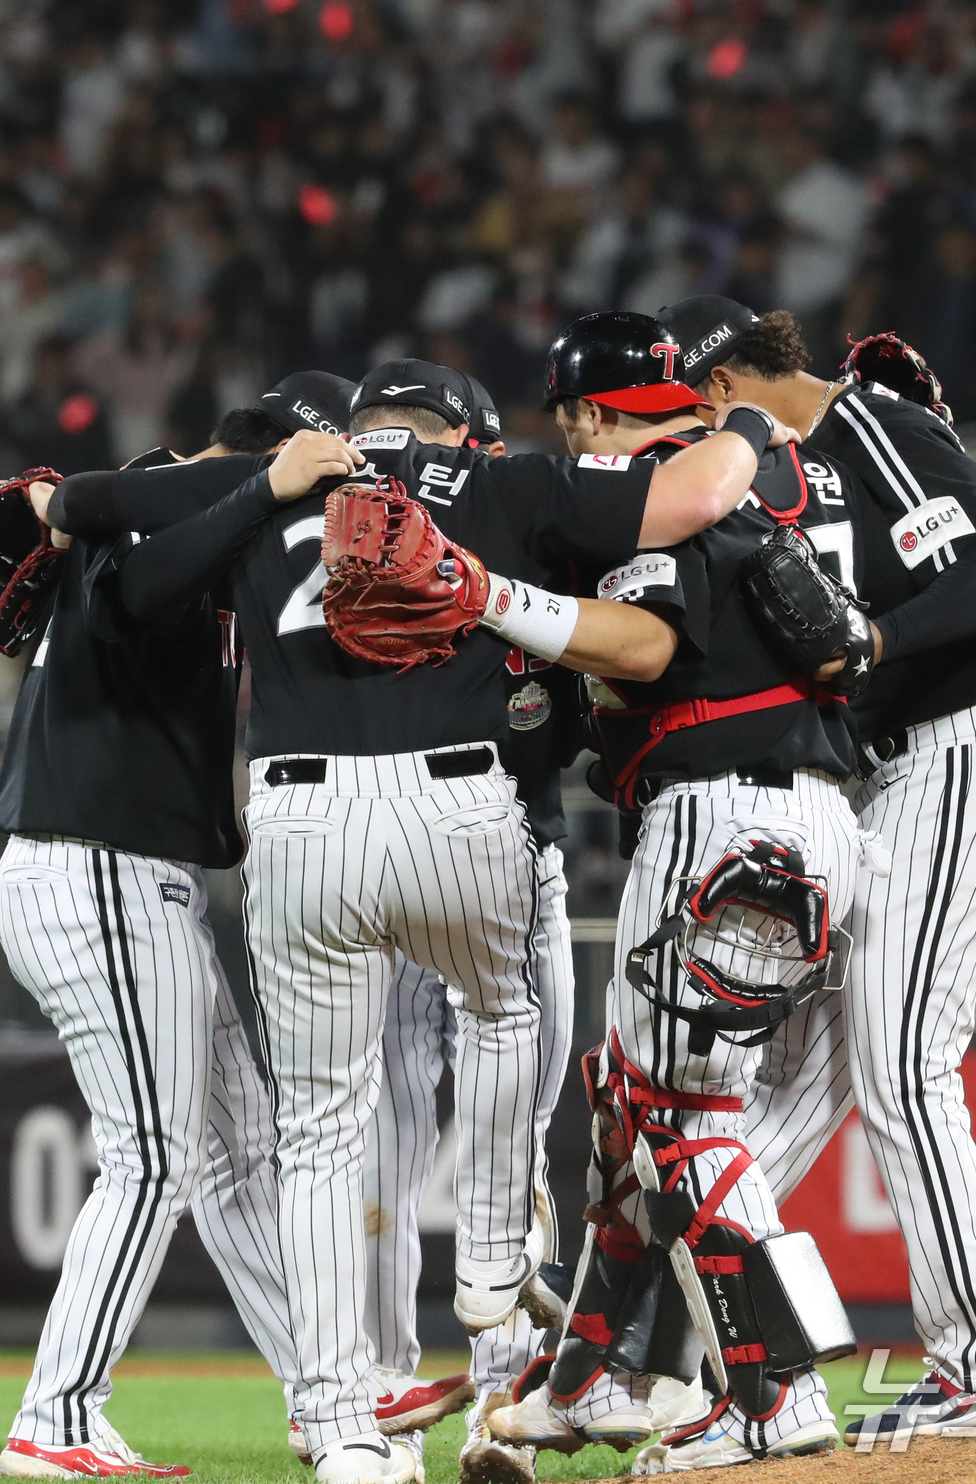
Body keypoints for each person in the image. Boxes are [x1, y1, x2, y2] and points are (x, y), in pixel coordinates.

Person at [97, 344, 795, 1484]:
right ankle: (487, 1283)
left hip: (293, 817)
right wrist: (757, 425)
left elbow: (132, 580)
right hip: (467, 807)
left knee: (318, 1136)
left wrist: (78, 500)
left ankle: (341, 1434)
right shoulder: (502, 480)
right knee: (507, 1029)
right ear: (461, 431)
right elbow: (692, 495)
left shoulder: (282, 477)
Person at [655, 296, 976, 1444]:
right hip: (894, 785)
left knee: (899, 1064)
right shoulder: (779, 476)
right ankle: (667, 1337)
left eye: (692, 405)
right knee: (798, 1081)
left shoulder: (859, 426)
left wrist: (873, 645)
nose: (689, 429)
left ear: (723, 387)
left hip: (963, 763)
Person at [474, 311, 868, 1468]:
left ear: (590, 416)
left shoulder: (644, 492)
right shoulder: (741, 496)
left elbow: (642, 644)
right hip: (801, 819)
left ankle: (775, 1397)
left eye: (571, 418)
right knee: (630, 1116)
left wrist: (494, 600)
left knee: (685, 1126)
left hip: (723, 820)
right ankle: (585, 1377)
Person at [0, 371, 359, 1480]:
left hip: (132, 874)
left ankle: (324, 1395)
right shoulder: (163, 512)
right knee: (152, 1158)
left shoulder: (173, 515)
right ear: (278, 452)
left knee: (242, 1144)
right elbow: (144, 586)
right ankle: (54, 1417)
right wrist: (265, 491)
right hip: (93, 865)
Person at [361, 370, 580, 1484]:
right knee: (496, 1147)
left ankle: (388, 1418)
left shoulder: (319, 534)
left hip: (366, 862)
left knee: (383, 1148)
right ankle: (490, 1410)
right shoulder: (513, 525)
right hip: (504, 857)